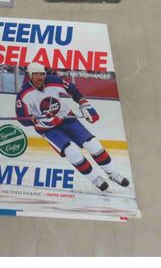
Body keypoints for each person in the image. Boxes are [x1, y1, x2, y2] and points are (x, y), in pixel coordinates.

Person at [15, 62, 129, 192]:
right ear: (30, 75)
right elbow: (23, 119)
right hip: (48, 129)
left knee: (93, 145)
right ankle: (95, 179)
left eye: (42, 74)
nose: (40, 77)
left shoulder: (53, 80)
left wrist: (82, 102)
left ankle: (112, 173)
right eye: (36, 74)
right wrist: (39, 119)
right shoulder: (23, 94)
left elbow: (72, 90)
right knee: (72, 152)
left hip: (66, 118)